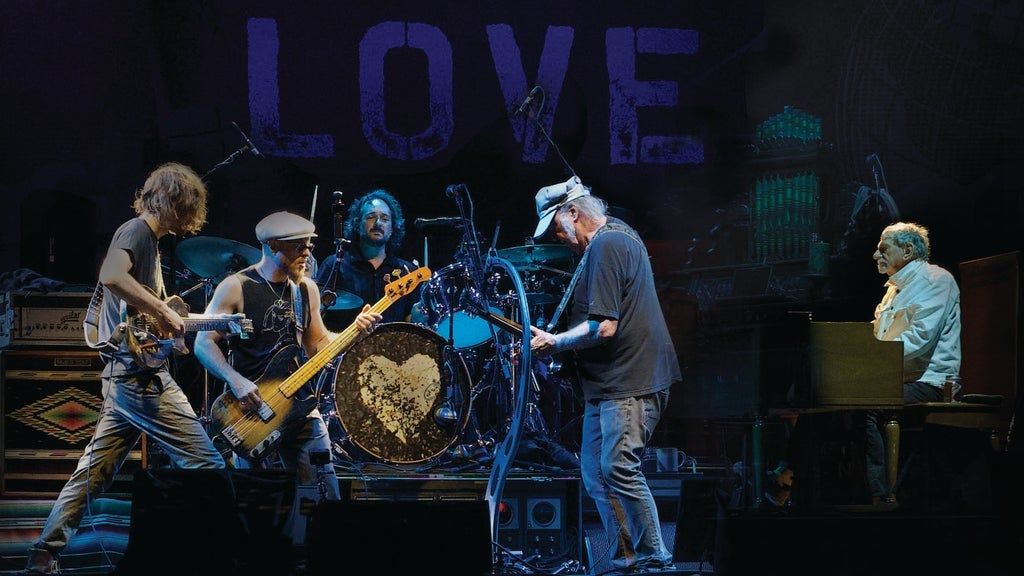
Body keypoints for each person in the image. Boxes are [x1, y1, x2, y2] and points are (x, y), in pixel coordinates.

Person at [25, 163, 226, 574]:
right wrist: (161, 311)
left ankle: (43, 555)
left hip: (126, 375)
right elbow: (111, 275)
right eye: (187, 207)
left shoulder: (149, 242)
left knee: (93, 474)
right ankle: (203, 556)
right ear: (171, 200)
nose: (189, 219)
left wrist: (184, 326)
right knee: (207, 465)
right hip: (138, 379)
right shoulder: (136, 231)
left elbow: (145, 317)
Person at [528, 176, 680, 573]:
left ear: (573, 213)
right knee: (595, 473)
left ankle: (655, 559)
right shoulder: (613, 237)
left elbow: (605, 327)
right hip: (609, 384)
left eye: (556, 227)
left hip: (629, 381)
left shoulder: (608, 244)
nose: (557, 237)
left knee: (618, 468)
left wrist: (555, 343)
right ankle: (625, 559)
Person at [194, 211, 381, 499]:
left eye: (309, 246)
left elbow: (318, 346)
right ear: (272, 246)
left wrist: (354, 332)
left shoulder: (306, 289)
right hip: (250, 410)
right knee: (256, 500)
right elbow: (203, 343)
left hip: (299, 403)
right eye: (299, 246)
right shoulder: (236, 286)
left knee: (323, 491)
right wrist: (236, 381)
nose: (307, 253)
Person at [865, 221, 961, 501]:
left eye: (883, 249)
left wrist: (868, 364)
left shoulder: (937, 280)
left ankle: (880, 497)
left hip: (929, 383)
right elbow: (876, 336)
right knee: (829, 400)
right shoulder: (893, 290)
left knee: (865, 404)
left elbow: (919, 339)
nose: (876, 255)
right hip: (895, 379)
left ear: (907, 251)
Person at [317, 189, 419, 325]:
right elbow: (316, 316)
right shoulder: (335, 264)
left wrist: (419, 317)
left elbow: (410, 323)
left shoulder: (407, 272)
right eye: (371, 217)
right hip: (343, 339)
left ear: (392, 228)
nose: (378, 223)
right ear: (357, 224)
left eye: (385, 219)